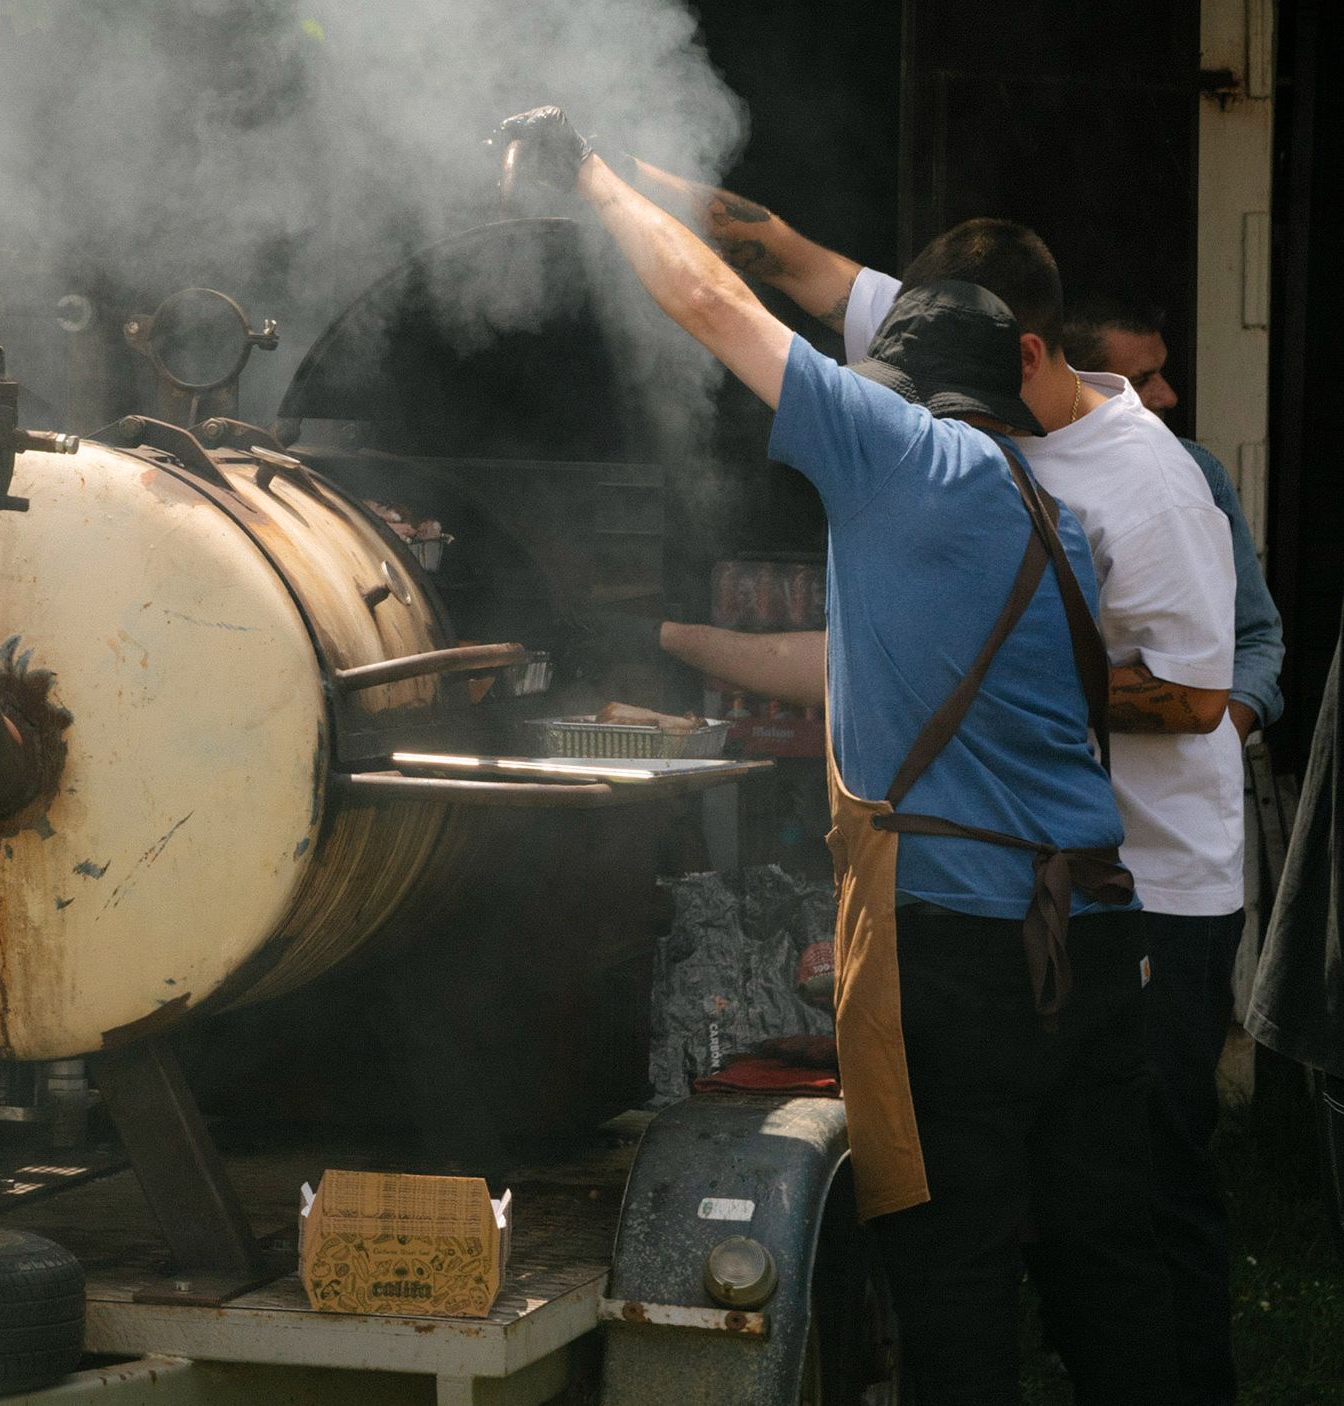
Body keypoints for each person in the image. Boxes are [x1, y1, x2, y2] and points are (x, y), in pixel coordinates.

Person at [496, 105, 1174, 1404]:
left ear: (909, 394)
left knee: (954, 1277)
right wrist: (671, 635)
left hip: (958, 956)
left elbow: (708, 299)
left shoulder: (900, 461)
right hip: (1092, 941)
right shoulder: (1052, 517)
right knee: (1108, 1267)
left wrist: (592, 177)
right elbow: (852, 663)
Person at [1063, 294, 1285, 741]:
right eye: (1141, 381)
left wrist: (1222, 742)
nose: (1168, 395)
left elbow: (1257, 636)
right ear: (1076, 380)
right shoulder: (1017, 470)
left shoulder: (1198, 473)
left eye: (1160, 372)